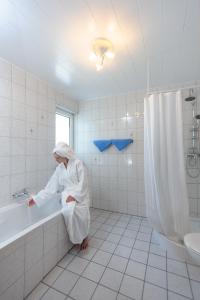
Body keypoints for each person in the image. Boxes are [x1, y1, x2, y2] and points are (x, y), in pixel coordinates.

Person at [28, 142, 90, 250]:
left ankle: (84, 236)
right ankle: (76, 238)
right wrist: (36, 199)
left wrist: (75, 196)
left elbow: (84, 183)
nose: (56, 160)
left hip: (80, 194)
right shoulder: (59, 169)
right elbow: (50, 187)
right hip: (67, 195)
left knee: (79, 213)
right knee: (69, 211)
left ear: (64, 155)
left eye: (57, 157)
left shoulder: (78, 163)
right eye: (55, 158)